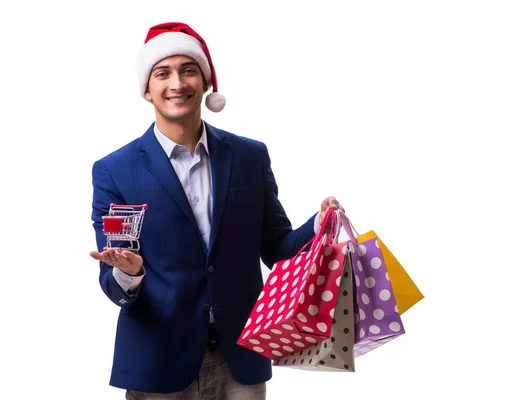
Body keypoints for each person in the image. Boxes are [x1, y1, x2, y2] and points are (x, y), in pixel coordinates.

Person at [89, 22, 344, 400]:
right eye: (163, 73)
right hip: (158, 358)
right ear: (147, 89)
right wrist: (130, 273)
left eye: (188, 70)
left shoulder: (248, 157)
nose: (177, 83)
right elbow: (113, 284)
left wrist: (318, 225)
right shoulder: (115, 169)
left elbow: (277, 249)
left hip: (240, 352)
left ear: (206, 82)